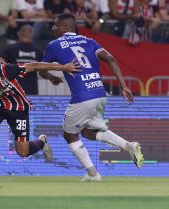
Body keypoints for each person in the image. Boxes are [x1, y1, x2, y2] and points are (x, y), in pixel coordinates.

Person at [42, 13, 144, 181]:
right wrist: (124, 86)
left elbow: (42, 69)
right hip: (99, 94)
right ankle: (129, 146)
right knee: (89, 132)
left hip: (82, 97)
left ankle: (93, 174)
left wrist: (52, 76)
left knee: (70, 135)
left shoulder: (54, 45)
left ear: (65, 27)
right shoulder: (89, 41)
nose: (53, 28)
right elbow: (110, 58)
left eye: (56, 25)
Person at [0, 47, 81, 177]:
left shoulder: (7, 70)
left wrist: (64, 68)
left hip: (19, 109)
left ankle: (42, 142)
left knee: (23, 152)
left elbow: (36, 66)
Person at [0, 24, 63, 95]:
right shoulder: (38, 51)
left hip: (13, 91)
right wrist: (52, 77)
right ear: (32, 34)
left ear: (18, 34)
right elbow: (42, 72)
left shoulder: (10, 48)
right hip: (31, 92)